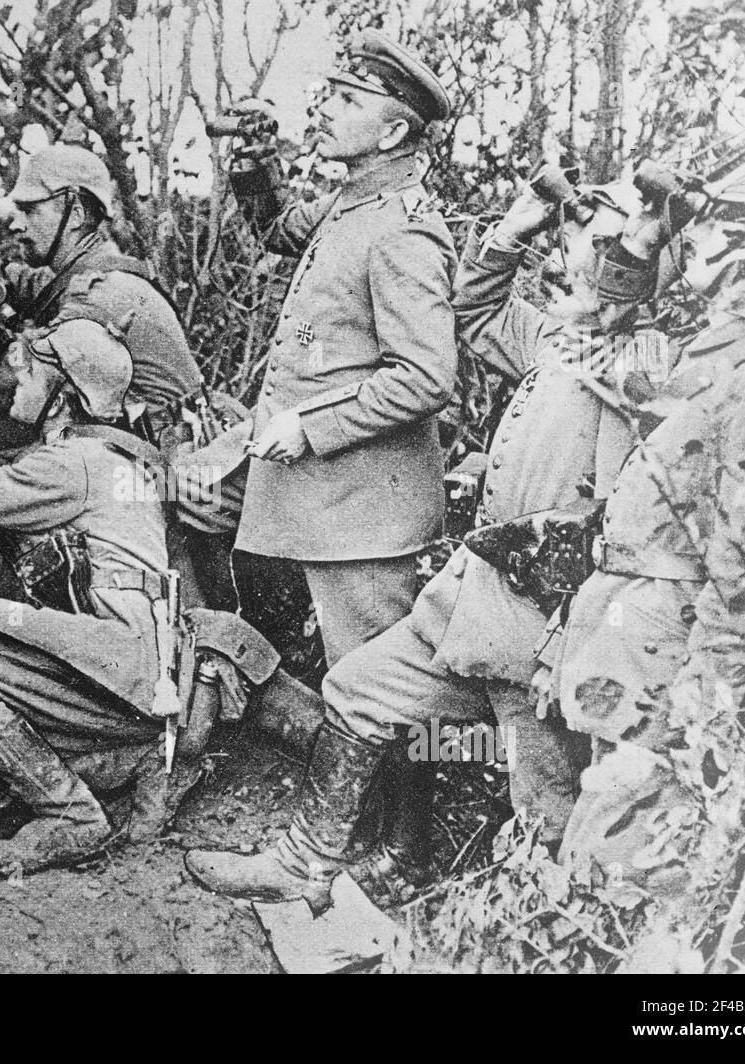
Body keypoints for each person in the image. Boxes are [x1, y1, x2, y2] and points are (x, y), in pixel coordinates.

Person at [185, 167, 684, 910]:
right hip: (477, 604)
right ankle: (307, 862)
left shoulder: (642, 360)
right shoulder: (559, 339)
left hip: (550, 632)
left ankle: (545, 930)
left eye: (603, 227)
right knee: (357, 688)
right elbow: (473, 314)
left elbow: (624, 315)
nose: (581, 230)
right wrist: (513, 231)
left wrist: (633, 241)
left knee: (545, 807)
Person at [0, 318, 279, 874]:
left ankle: (74, 819)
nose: (15, 375)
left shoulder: (72, 465)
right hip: (141, 683)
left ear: (59, 402)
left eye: (31, 370)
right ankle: (142, 761)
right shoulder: (115, 461)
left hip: (120, 668)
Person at [548, 151, 745, 893]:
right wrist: (639, 238)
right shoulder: (717, 344)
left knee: (630, 858)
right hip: (636, 628)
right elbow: (603, 316)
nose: (694, 239)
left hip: (681, 651)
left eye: (727, 225)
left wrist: (702, 710)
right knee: (606, 840)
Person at [218, 32, 458, 670]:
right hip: (325, 509)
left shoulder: (403, 230)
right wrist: (256, 163)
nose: (324, 109)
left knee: (375, 699)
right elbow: (281, 232)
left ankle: (397, 777)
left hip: (366, 524)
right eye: (330, 93)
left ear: (390, 135)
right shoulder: (354, 203)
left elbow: (426, 378)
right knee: (334, 689)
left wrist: (309, 424)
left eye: (348, 100)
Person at [0, 141, 241, 610]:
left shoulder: (103, 295)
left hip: (165, 491)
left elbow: (10, 391)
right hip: (161, 472)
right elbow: (42, 287)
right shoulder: (104, 275)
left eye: (30, 209)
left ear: (74, 211)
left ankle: (21, 623)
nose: (16, 223)